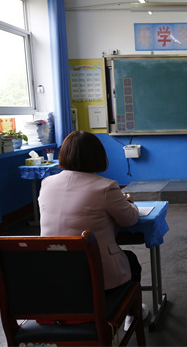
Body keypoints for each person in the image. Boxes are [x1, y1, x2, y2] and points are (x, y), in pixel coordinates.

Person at [38, 131, 148, 328]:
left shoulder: (46, 184)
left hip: (54, 275)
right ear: (98, 156)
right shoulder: (106, 187)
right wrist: (129, 202)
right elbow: (129, 219)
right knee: (131, 261)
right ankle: (131, 312)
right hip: (96, 276)